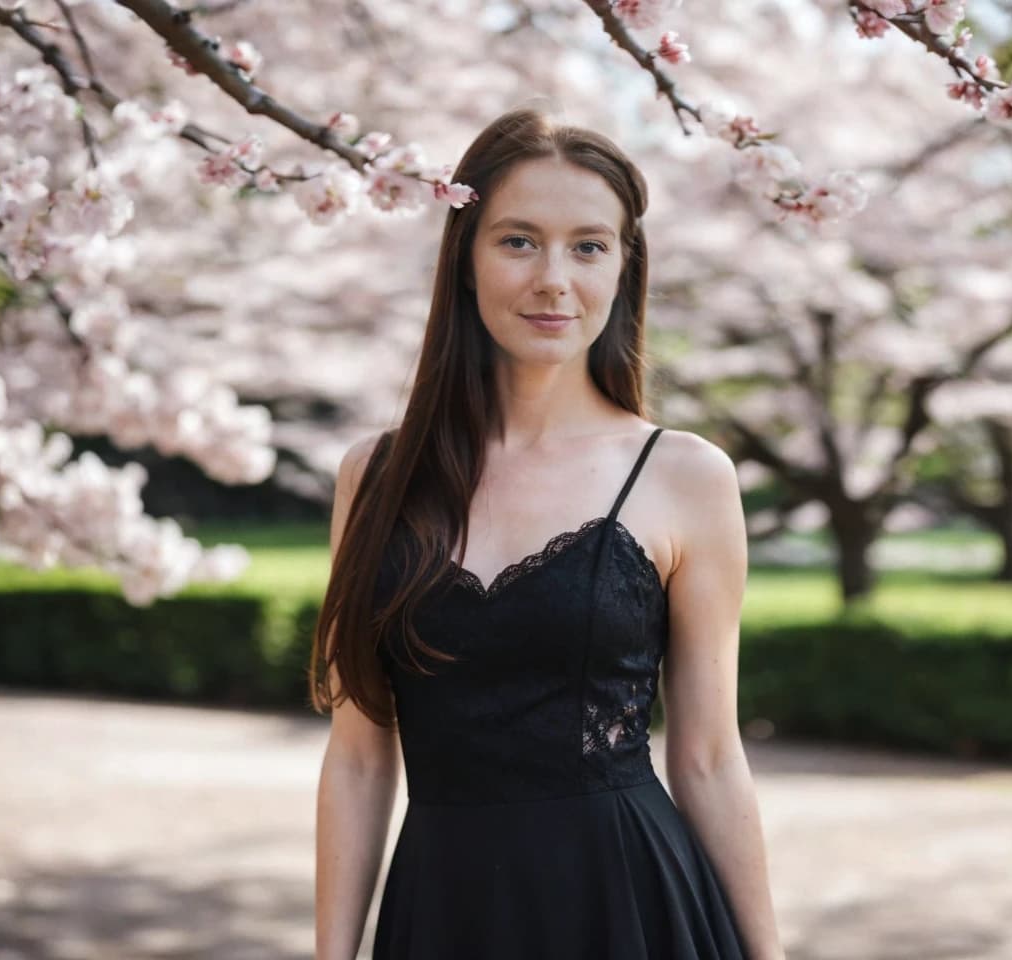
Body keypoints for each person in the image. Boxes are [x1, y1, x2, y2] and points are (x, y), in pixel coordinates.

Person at [309, 104, 783, 960]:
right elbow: (358, 756)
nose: (554, 279)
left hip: (630, 907)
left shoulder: (686, 477)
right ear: (465, 258)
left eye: (589, 246)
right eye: (518, 240)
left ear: (624, 268)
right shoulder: (374, 477)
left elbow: (709, 756)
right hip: (443, 909)